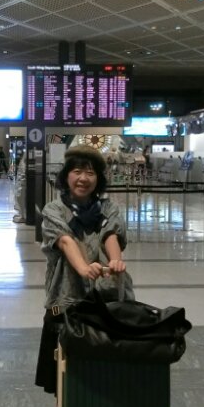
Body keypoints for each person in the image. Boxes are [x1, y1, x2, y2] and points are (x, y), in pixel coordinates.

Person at [34, 145, 130, 394]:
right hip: (65, 298)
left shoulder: (108, 208)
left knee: (104, 370)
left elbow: (110, 234)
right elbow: (65, 240)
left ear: (98, 179)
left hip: (107, 296)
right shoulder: (54, 210)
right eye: (77, 171)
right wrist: (84, 268)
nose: (83, 178)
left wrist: (115, 261)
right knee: (63, 371)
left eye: (90, 173)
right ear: (66, 175)